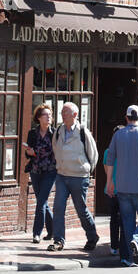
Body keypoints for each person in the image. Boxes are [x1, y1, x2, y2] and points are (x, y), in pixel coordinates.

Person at [103, 104, 138, 267]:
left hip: (123, 187)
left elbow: (110, 160)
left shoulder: (118, 135)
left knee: (127, 221)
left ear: (126, 118)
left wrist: (109, 182)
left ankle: (128, 258)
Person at [47, 102, 98, 253]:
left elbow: (93, 154)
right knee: (58, 208)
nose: (62, 115)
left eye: (66, 112)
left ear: (75, 115)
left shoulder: (83, 132)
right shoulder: (59, 131)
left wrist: (85, 170)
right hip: (62, 175)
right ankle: (58, 241)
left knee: (81, 209)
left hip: (79, 176)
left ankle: (92, 236)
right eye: (62, 112)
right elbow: (55, 148)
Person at [23, 105, 57, 244]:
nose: (48, 117)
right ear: (38, 117)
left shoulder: (54, 133)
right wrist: (29, 152)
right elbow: (28, 152)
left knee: (41, 201)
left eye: (50, 114)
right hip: (36, 171)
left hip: (50, 171)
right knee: (43, 203)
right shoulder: (33, 133)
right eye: (45, 114)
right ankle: (53, 231)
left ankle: (36, 233)